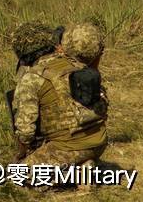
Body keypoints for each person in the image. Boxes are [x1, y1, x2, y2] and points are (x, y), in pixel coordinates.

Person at [9, 20, 108, 169]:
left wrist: (22, 154)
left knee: (18, 175)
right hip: (99, 141)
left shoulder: (32, 78)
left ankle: (76, 171)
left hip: (69, 149)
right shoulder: (77, 63)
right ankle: (84, 163)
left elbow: (26, 132)